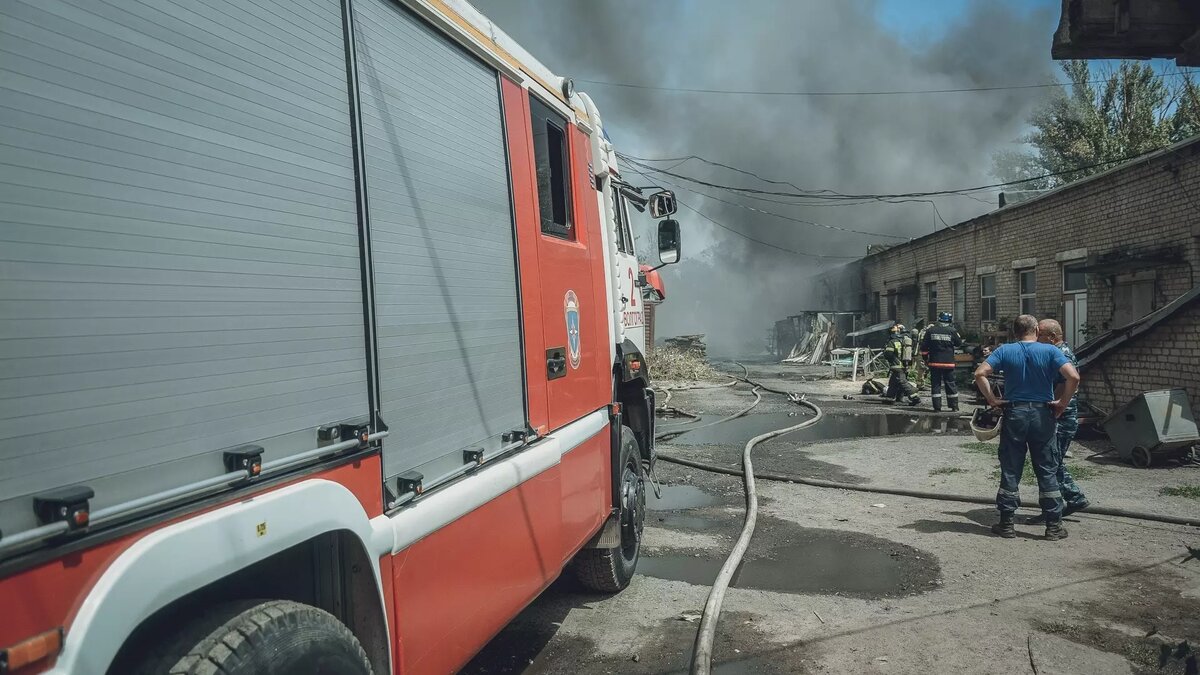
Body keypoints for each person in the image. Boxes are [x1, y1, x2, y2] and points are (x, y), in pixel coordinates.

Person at [974, 315, 1081, 541]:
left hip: (1015, 414)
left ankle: (1006, 524)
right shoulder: (1051, 351)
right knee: (1047, 468)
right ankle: (1053, 527)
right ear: (1035, 329)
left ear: (1015, 332)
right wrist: (1062, 404)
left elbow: (980, 373)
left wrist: (993, 400)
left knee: (1011, 467)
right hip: (1043, 414)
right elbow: (1073, 377)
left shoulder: (1005, 350)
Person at [1024, 319, 1090, 523]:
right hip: (1059, 414)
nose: (1036, 339)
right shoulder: (1056, 352)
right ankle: (1070, 498)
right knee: (1052, 461)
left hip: (1061, 416)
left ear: (1052, 337)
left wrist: (1057, 403)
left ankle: (1061, 504)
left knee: (1049, 462)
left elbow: (1069, 380)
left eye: (1040, 335)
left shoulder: (1060, 354)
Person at [920, 311, 963, 412]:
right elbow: (958, 343)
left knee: (936, 385)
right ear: (949, 320)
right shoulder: (952, 330)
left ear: (939, 319)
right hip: (948, 363)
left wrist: (925, 359)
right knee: (950, 384)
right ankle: (954, 407)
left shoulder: (931, 330)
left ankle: (937, 407)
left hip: (934, 363)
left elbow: (924, 348)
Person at [882, 323, 920, 406]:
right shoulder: (905, 340)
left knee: (902, 382)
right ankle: (890, 398)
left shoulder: (893, 341)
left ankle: (914, 397)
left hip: (897, 365)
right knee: (893, 382)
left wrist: (887, 355)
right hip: (905, 364)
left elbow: (888, 354)